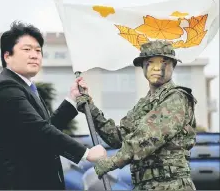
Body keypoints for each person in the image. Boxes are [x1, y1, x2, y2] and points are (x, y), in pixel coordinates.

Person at [0, 21, 107, 190]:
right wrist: (86, 153)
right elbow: (39, 130)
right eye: (26, 50)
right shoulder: (6, 89)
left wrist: (71, 100)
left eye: (38, 50)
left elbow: (44, 130)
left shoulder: (25, 87)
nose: (34, 55)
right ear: (7, 56)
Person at [77, 40, 197, 190]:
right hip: (144, 185)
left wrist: (111, 162)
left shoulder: (177, 97)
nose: (156, 67)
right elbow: (118, 138)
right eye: (150, 62)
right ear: (143, 67)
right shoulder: (143, 104)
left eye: (163, 62)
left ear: (173, 66)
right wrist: (91, 109)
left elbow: (146, 138)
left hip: (171, 185)